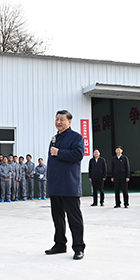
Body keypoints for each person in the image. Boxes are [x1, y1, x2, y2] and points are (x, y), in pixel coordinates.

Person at [45, 110, 85, 260]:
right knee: (57, 218)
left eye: (62, 119)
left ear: (69, 121)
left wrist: (59, 152)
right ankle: (60, 244)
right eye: (57, 119)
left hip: (69, 185)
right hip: (55, 185)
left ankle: (79, 247)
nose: (58, 122)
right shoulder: (55, 139)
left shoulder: (76, 137)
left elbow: (78, 155)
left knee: (74, 218)